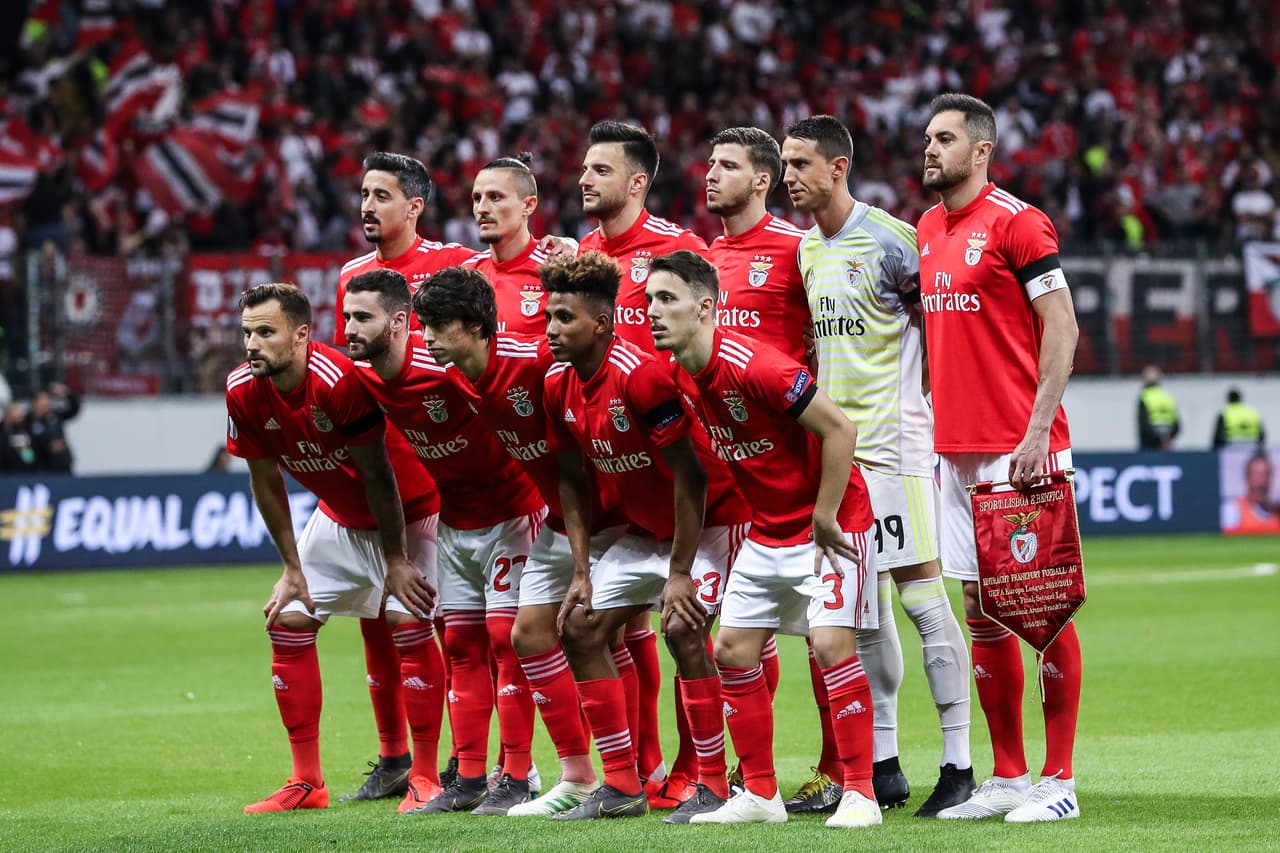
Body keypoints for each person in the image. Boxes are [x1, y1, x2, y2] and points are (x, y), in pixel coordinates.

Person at [646, 250, 882, 829]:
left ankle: (861, 794)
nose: (653, 311)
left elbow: (840, 428)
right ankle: (760, 795)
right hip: (768, 528)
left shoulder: (758, 366)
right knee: (730, 650)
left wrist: (826, 514)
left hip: (831, 522)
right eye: (649, 299)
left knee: (829, 646)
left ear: (706, 307)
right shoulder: (681, 374)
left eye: (666, 299)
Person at [782, 115, 975, 816]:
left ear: (839, 168)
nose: (789, 176)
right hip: (842, 456)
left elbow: (946, 332)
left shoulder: (895, 242)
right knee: (863, 619)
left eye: (801, 162)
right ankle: (885, 763)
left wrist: (939, 413)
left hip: (897, 448)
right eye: (784, 162)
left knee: (922, 600)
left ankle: (959, 763)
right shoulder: (807, 251)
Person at [917, 92, 1084, 822]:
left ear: (981, 151)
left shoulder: (1018, 223)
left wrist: (1038, 430)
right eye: (927, 137)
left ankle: (1060, 779)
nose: (930, 149)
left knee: (1040, 610)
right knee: (980, 608)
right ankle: (1009, 774)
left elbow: (1063, 325)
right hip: (954, 451)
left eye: (945, 138)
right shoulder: (926, 226)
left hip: (1019, 449)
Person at [542, 251, 751, 821]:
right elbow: (570, 481)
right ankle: (622, 786)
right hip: (646, 530)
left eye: (565, 319)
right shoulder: (557, 386)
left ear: (602, 324)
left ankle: (711, 784)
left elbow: (693, 475)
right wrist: (581, 572)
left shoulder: (642, 378)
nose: (552, 330)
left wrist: (680, 571)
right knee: (580, 629)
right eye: (548, 318)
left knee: (683, 628)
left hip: (712, 521)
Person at [413, 265, 628, 817]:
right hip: (564, 516)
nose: (428, 337)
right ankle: (577, 776)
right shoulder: (459, 376)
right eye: (424, 326)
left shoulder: (533, 362)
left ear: (474, 326)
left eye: (438, 326)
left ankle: (643, 773)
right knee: (529, 633)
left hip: (617, 511)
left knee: (629, 638)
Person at [225, 283, 442, 814]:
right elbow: (265, 482)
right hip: (339, 519)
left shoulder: (338, 381)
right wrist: (291, 568)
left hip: (410, 513)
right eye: (247, 333)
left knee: (410, 626)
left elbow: (379, 475)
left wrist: (395, 560)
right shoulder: (241, 390)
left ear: (301, 336)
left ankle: (427, 776)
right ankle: (306, 781)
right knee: (288, 618)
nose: (252, 344)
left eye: (266, 332)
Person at [343, 268, 548, 816]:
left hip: (513, 513)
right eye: (346, 318)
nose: (350, 329)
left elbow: (533, 381)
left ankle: (519, 774)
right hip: (454, 523)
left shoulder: (454, 374)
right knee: (459, 647)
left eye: (363, 318)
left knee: (507, 642)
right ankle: (471, 776)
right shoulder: (364, 380)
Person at [704, 125, 843, 814]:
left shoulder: (799, 249)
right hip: (733, 466)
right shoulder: (704, 261)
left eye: (726, 165)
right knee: (733, 629)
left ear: (761, 180)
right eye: (709, 162)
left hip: (798, 459)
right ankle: (744, 771)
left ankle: (836, 766)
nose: (710, 174)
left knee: (827, 631)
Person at [333, 151, 477, 804]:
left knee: (450, 619)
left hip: (438, 466)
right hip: (373, 466)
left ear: (414, 206)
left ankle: (462, 755)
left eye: (381, 194)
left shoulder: (455, 264)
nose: (367, 205)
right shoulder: (351, 275)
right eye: (363, 193)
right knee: (375, 616)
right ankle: (394, 756)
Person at [576, 120, 709, 806]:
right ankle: (639, 772)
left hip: (688, 469)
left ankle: (701, 772)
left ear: (636, 181)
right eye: (583, 169)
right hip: (621, 477)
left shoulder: (680, 251)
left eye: (599, 170)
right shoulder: (580, 260)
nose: (583, 180)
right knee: (614, 627)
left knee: (699, 628)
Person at [460, 154, 553, 336]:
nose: (482, 209)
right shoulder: (468, 275)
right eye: (477, 198)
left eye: (495, 197)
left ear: (528, 205)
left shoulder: (554, 268)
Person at [1221, 450, 1280, 534]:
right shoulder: (1232, 510)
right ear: (1247, 478)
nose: (1261, 482)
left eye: (1266, 475)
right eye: (1257, 475)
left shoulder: (1276, 513)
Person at [1137, 365, 1179, 450]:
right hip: (1167, 445)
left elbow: (1143, 425)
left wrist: (1158, 439)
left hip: (1149, 445)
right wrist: (1166, 439)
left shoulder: (1144, 397)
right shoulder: (1167, 397)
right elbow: (1177, 425)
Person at [1, 402, 38, 472]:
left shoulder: (25, 430)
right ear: (8, 413)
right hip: (5, 475)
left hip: (28, 474)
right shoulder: (2, 432)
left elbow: (30, 456)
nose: (21, 414)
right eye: (17, 411)